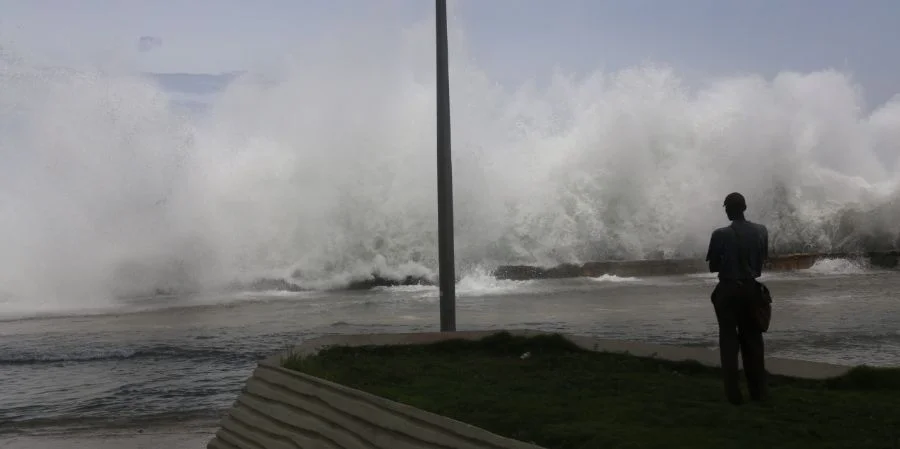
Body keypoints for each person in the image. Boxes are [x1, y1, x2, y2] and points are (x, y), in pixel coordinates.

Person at [705, 192, 770, 405]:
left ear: (729, 209)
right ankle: (758, 393)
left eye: (725, 207)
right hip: (752, 290)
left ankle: (733, 394)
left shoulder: (720, 234)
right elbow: (763, 259)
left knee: (728, 341)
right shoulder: (761, 231)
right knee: (753, 341)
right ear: (745, 207)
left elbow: (713, 265)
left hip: (728, 290)